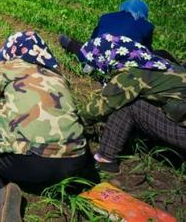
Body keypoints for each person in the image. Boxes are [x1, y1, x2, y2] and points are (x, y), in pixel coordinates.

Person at [0, 31, 89, 221]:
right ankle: (54, 183)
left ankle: (1, 196)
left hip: (35, 163)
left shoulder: (6, 67)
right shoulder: (58, 76)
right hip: (77, 161)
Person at [74, 34, 185, 173]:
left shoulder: (133, 74)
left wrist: (73, 123)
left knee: (129, 104)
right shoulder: (158, 63)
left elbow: (102, 106)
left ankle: (105, 159)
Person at [60, 0, 154, 56]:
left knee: (83, 47)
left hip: (97, 55)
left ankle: (72, 45)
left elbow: (93, 38)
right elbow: (147, 50)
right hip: (125, 61)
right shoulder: (147, 26)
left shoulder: (106, 17)